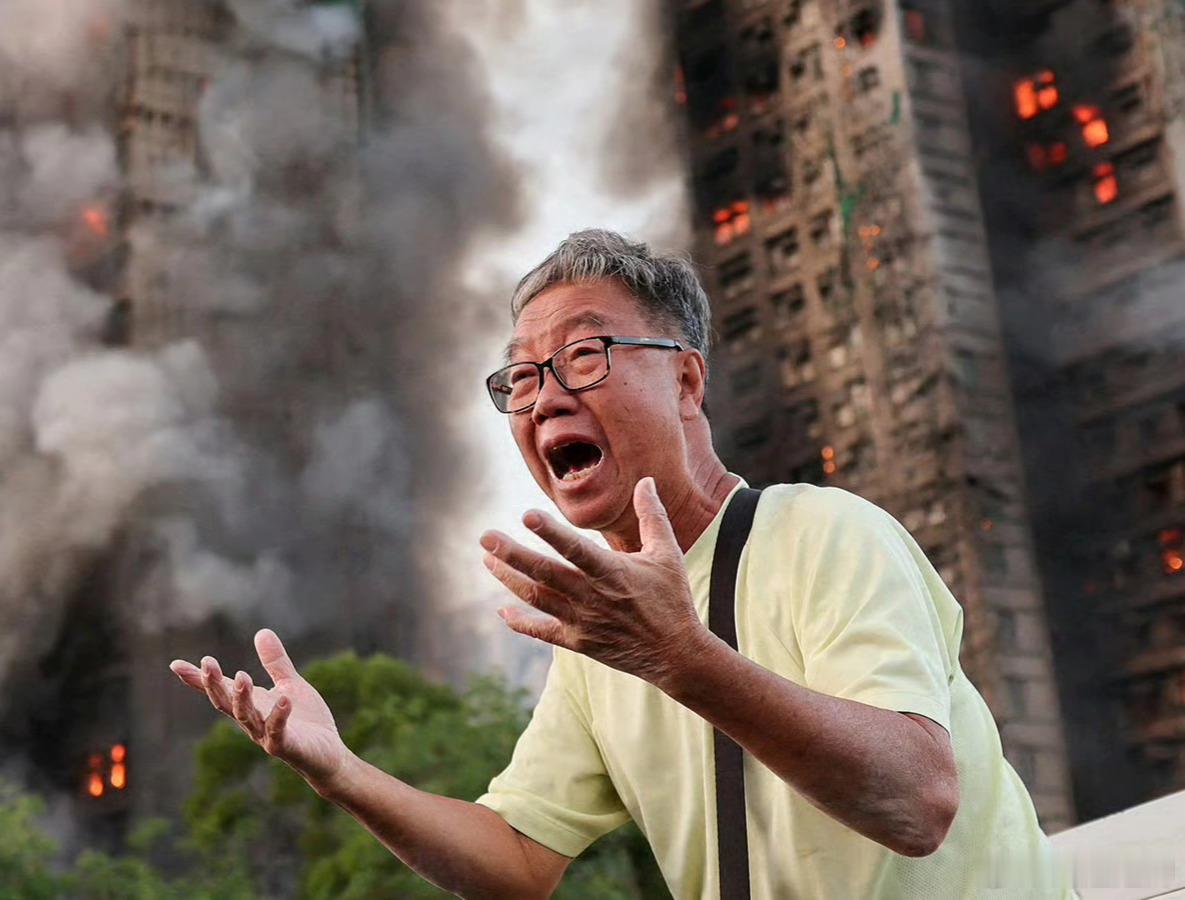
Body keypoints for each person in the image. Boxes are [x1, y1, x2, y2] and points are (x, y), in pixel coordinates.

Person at [170, 230, 1075, 898]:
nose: (544, 398)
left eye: (584, 354)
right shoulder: (601, 645)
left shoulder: (823, 533)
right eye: (523, 378)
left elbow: (916, 801)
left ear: (686, 380)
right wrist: (340, 772)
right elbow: (517, 860)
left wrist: (681, 658)